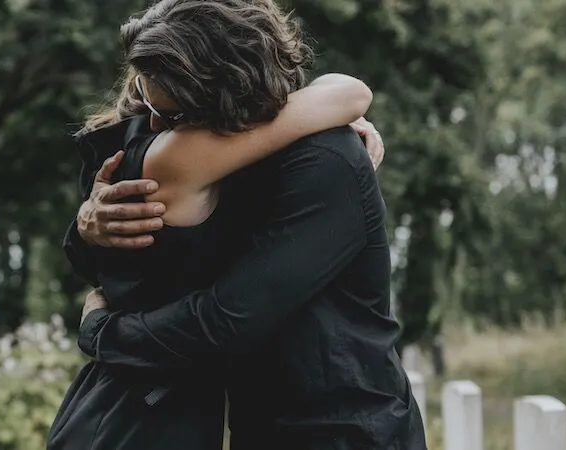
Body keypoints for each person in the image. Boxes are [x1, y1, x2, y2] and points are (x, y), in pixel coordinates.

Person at [65, 1, 427, 449]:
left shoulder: (325, 158)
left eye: (174, 115)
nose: (157, 126)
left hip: (344, 431)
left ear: (227, 91)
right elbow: (138, 268)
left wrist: (103, 332)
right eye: (143, 94)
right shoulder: (211, 157)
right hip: (259, 426)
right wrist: (85, 228)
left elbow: (227, 320)